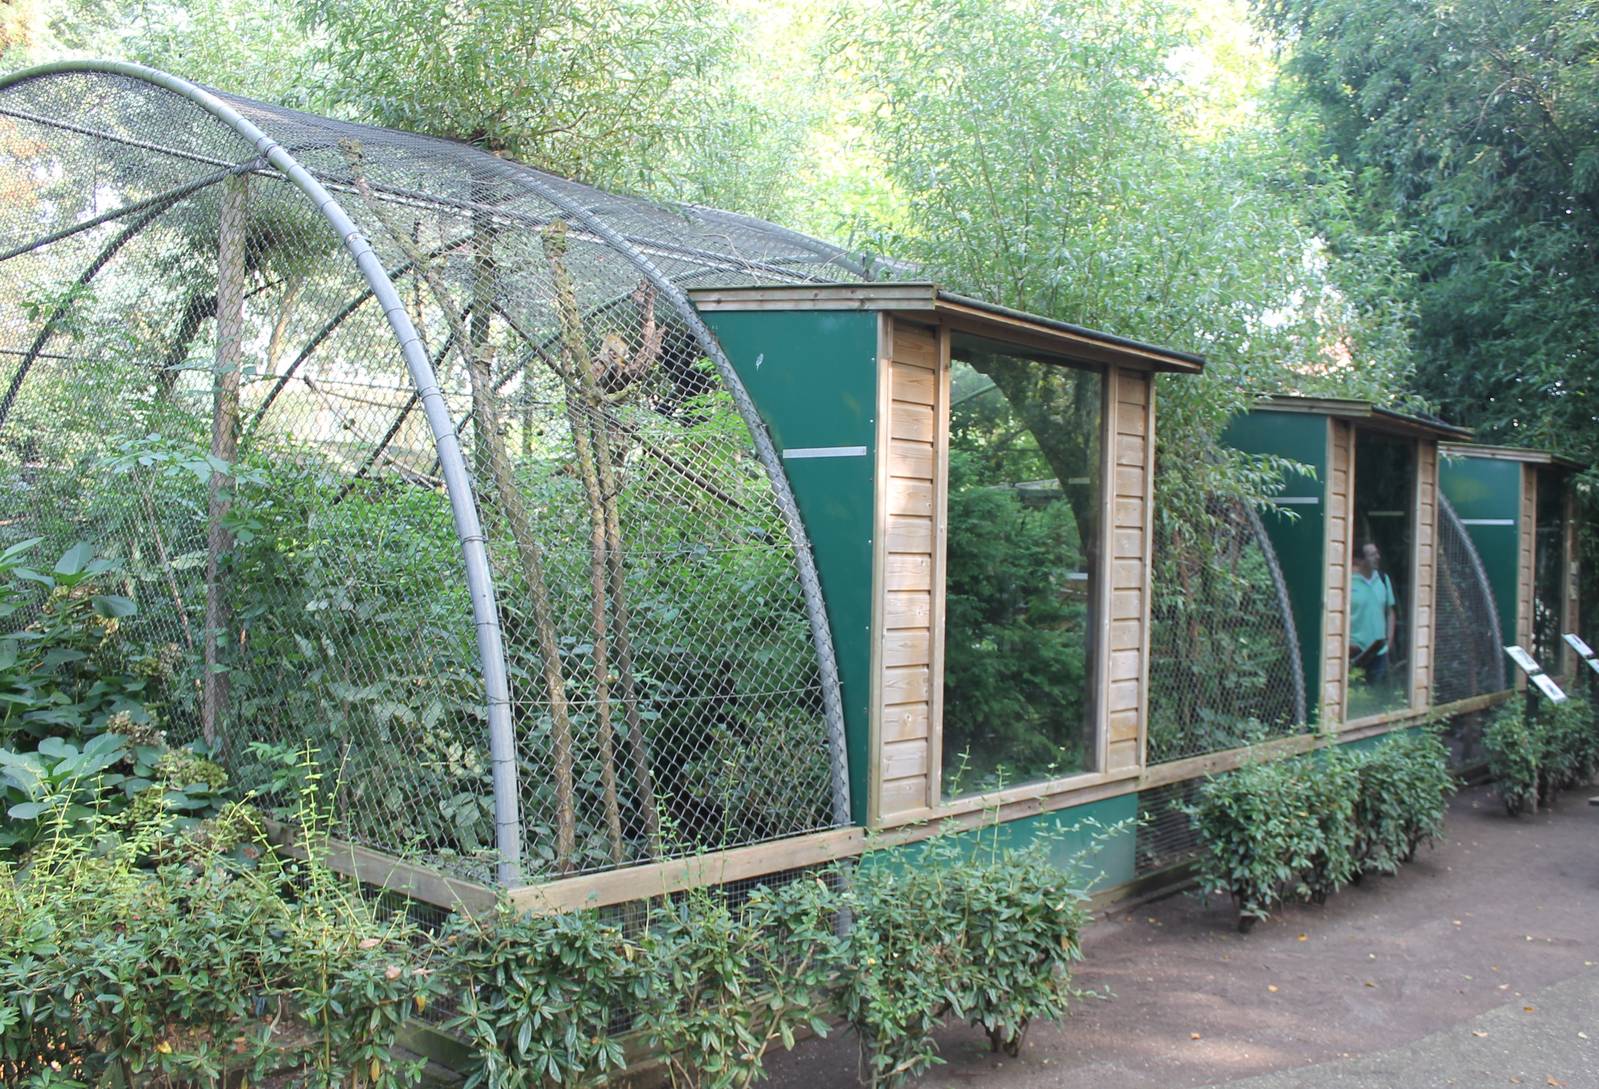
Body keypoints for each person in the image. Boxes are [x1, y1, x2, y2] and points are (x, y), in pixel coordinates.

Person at [1349, 542, 1397, 685]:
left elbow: (1390, 612)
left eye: (1377, 553)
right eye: (1372, 555)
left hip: (1378, 651)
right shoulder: (1348, 581)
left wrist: (1389, 640)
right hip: (1355, 650)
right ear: (1360, 560)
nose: (1378, 557)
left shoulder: (1383, 579)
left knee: (1375, 692)